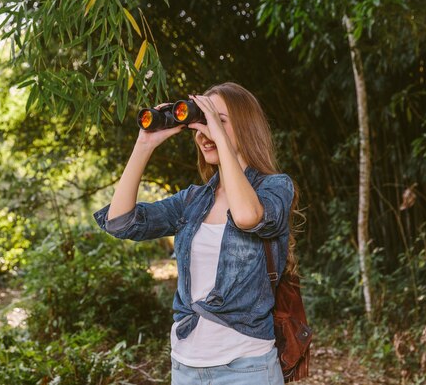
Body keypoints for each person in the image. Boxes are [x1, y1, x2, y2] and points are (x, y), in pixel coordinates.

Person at [93, 82, 300, 385]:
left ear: (246, 126)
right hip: (186, 366)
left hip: (247, 367)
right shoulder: (192, 201)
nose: (204, 132)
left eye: (217, 121)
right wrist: (144, 145)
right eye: (201, 123)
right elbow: (121, 222)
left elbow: (246, 216)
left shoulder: (275, 187)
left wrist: (220, 137)